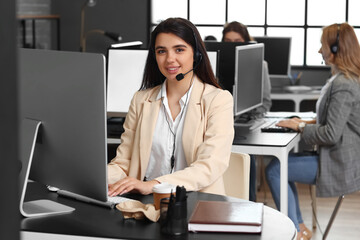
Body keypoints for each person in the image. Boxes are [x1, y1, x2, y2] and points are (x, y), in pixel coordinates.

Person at [107, 18, 234, 197]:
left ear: (196, 54)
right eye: (161, 51)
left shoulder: (218, 100)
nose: (169, 59)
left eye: (179, 50)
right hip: (146, 200)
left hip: (195, 200)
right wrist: (96, 178)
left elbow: (209, 166)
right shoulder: (141, 100)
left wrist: (154, 184)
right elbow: (123, 163)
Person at [265, 23, 360, 240]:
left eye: (322, 46)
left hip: (340, 163)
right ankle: (299, 228)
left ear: (336, 49)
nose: (319, 51)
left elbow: (331, 134)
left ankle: (295, 232)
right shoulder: (343, 78)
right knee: (279, 166)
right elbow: (334, 119)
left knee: (275, 170)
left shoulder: (344, 83)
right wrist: (305, 121)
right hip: (335, 156)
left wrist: (299, 126)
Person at [222, 21, 272, 202]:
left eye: (237, 40)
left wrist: (246, 115)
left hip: (244, 125)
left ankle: (248, 204)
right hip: (218, 123)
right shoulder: (213, 62)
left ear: (246, 41)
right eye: (227, 41)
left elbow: (265, 103)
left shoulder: (260, 65)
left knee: (245, 159)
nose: (233, 45)